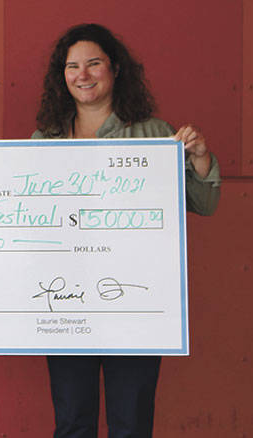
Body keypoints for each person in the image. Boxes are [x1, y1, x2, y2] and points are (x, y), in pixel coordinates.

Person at [31, 23, 221, 438]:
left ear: (115, 69)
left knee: (132, 423)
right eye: (72, 66)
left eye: (94, 63)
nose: (83, 74)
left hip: (136, 303)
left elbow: (204, 203)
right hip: (65, 302)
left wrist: (201, 157)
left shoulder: (155, 134)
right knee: (72, 422)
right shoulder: (44, 139)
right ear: (61, 77)